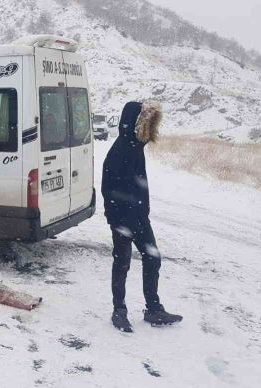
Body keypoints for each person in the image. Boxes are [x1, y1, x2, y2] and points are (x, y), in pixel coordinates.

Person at [101, 100, 183, 332]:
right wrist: (116, 221)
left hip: (139, 218)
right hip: (122, 221)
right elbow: (108, 192)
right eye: (145, 124)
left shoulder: (137, 149)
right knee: (122, 264)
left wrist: (142, 212)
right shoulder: (117, 152)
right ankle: (119, 310)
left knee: (153, 258)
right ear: (134, 124)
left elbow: (139, 187)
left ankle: (153, 309)